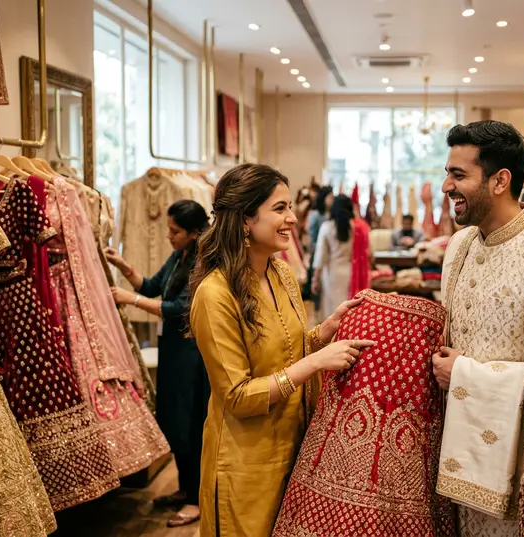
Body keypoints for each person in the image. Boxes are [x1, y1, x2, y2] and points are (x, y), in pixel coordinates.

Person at [189, 163, 375, 537]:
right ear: (245, 219)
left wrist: (325, 330)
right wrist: (316, 362)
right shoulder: (215, 294)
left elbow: (287, 350)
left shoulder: (281, 274)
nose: (292, 218)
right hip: (247, 463)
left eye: (290, 207)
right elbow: (238, 396)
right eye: (280, 209)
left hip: (293, 447)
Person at [431, 121, 524, 537]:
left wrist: (465, 374)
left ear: (499, 181)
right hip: (452, 448)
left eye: (458, 175)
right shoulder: (459, 245)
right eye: (447, 172)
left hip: (510, 462)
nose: (445, 187)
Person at [104, 200, 210, 528]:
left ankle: (196, 500)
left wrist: (130, 299)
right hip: (174, 350)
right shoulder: (179, 256)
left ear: (194, 233)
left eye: (175, 231)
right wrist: (123, 266)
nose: (169, 236)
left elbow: (181, 308)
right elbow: (152, 286)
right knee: (176, 422)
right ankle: (183, 489)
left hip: (191, 354)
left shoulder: (203, 262)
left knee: (190, 424)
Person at [312, 195, 356, 320]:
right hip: (351, 270)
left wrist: (315, 278)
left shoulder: (327, 227)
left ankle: (335, 338)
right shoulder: (355, 227)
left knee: (333, 311)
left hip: (332, 273)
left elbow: (320, 256)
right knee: (349, 309)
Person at [304, 185, 334, 300]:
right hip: (318, 254)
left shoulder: (331, 215)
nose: (332, 200)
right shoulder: (315, 215)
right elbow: (312, 238)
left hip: (330, 257)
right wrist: (323, 250)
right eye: (330, 197)